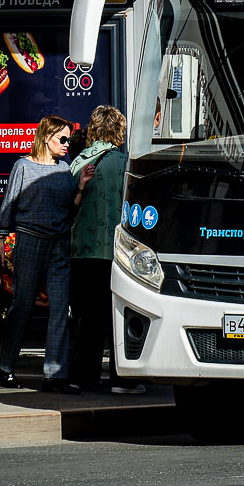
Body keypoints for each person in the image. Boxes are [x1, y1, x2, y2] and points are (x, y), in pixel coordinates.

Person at [0, 116, 94, 392]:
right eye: (62, 139)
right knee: (22, 306)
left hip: (59, 244)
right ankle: (4, 368)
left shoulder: (65, 170)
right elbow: (8, 203)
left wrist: (81, 185)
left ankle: (55, 375)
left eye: (68, 139)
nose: (66, 144)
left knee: (61, 308)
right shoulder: (23, 166)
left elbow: (71, 210)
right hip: (30, 241)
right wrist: (1, 238)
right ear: (46, 138)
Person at [67, 106, 144, 394]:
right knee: (117, 317)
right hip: (118, 253)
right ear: (119, 131)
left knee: (86, 317)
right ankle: (122, 380)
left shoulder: (79, 162)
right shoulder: (127, 164)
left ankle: (81, 376)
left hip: (82, 251)